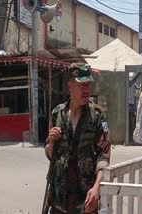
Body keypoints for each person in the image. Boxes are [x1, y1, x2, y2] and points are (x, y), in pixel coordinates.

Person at [44, 63, 111, 214]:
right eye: (82, 85)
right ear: (70, 86)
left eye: (88, 85)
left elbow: (104, 156)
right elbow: (49, 154)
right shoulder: (57, 113)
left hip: (85, 198)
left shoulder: (97, 115)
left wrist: (97, 188)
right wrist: (52, 142)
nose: (87, 90)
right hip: (58, 197)